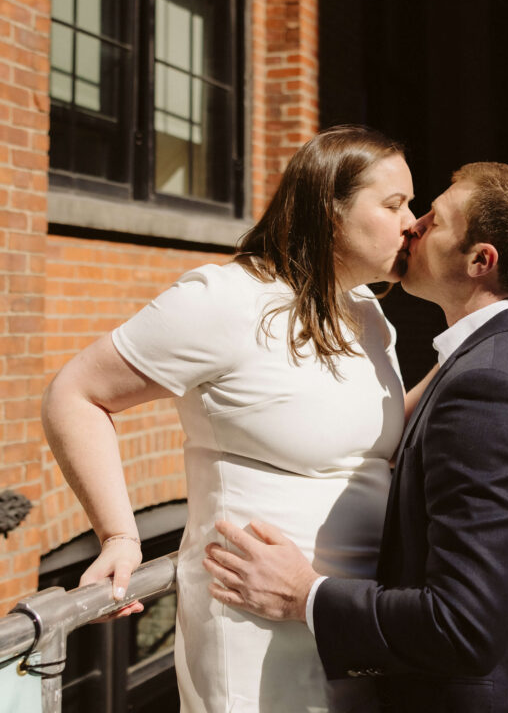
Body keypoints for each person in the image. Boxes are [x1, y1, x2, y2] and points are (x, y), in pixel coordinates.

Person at [42, 125, 429, 713]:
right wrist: (119, 534)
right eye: (395, 203)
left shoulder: (367, 313)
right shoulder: (226, 300)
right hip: (255, 636)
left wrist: (467, 363)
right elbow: (76, 393)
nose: (413, 222)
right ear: (330, 210)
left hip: (347, 621)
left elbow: (360, 435)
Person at [204, 161, 508, 713]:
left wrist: (305, 595)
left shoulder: (490, 388)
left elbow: (463, 626)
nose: (413, 226)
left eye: (433, 219)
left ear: (479, 260)